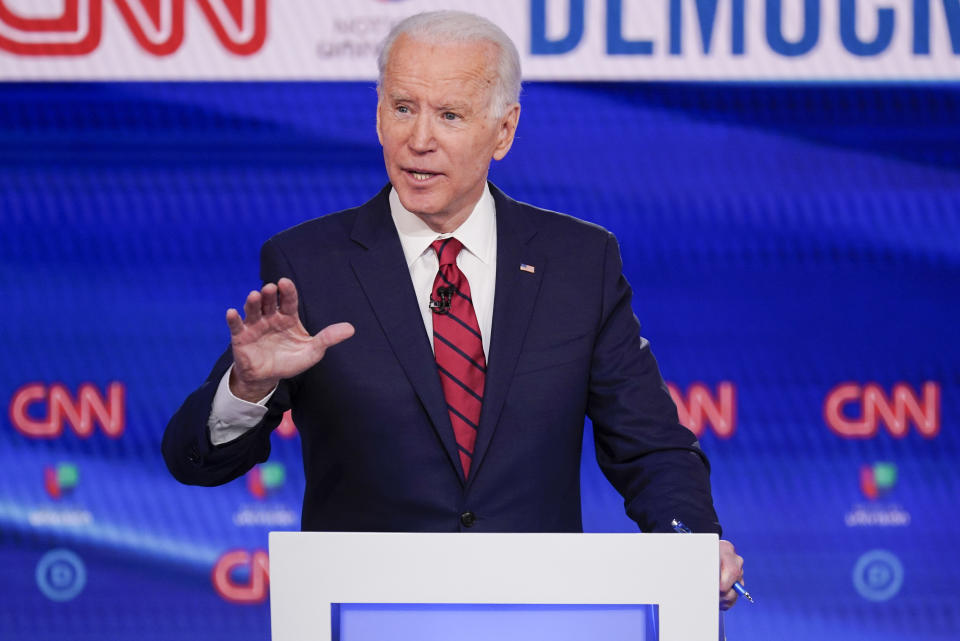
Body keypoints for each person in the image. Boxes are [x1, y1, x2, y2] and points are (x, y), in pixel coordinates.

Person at [162, 10, 745, 609]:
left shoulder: (578, 262)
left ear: (504, 130)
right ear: (378, 117)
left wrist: (690, 547)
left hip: (537, 614)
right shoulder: (312, 264)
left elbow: (648, 444)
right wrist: (249, 386)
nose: (419, 139)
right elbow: (196, 463)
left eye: (450, 115)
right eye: (402, 107)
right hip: (368, 614)